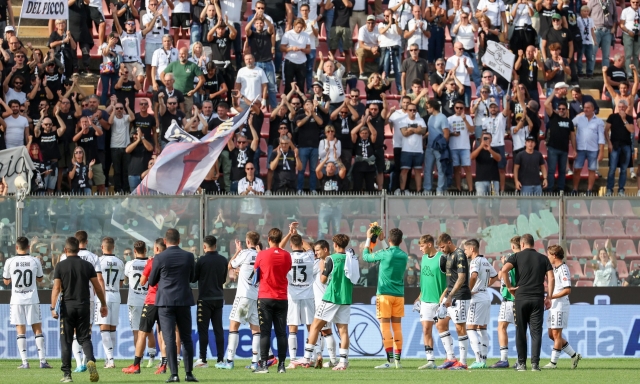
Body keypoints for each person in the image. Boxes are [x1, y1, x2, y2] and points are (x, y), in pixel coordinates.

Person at [292, 234, 354, 371]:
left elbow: (323, 280)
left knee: (315, 326)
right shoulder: (351, 258)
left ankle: (307, 357)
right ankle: (343, 362)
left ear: (335, 246)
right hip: (346, 297)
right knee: (343, 330)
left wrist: (323, 269)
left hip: (331, 297)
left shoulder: (331, 259)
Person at [51, 236, 106, 383]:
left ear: (65, 249)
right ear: (78, 248)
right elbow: (97, 287)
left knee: (66, 340)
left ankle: (67, 374)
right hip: (84, 306)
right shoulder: (87, 265)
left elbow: (56, 288)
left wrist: (52, 307)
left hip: (67, 307)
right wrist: (103, 304)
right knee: (84, 338)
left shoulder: (60, 266)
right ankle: (90, 360)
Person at [147, 229, 197, 383]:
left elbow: (151, 281)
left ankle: (174, 374)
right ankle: (189, 373)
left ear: (164, 240)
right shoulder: (188, 256)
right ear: (179, 240)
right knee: (186, 338)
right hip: (183, 300)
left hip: (165, 302)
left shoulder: (159, 257)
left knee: (169, 339)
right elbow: (193, 277)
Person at [502, 233, 554, 371]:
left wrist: (509, 287)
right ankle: (535, 364)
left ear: (522, 244)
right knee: (536, 332)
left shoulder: (516, 256)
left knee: (520, 331)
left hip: (520, 297)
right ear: (534, 244)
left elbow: (504, 270)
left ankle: (521, 363)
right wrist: (549, 297)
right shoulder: (543, 258)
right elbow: (551, 278)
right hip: (537, 298)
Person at [216, 232, 263, 370]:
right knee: (255, 329)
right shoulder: (262, 255)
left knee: (233, 325)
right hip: (256, 296)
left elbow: (230, 265)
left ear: (248, 242)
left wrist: (237, 251)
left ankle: (229, 361)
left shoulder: (245, 253)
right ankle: (255, 362)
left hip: (243, 295)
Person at [2, 236, 51, 369]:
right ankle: (42, 361)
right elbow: (40, 280)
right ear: (29, 247)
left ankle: (25, 362)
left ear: (16, 247)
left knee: (20, 330)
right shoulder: (35, 261)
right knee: (37, 329)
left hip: (17, 300)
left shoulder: (10, 261)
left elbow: (6, 281)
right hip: (32, 299)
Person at [362, 228, 408, 369]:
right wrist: (382, 241)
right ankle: (398, 362)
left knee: (385, 327)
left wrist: (368, 238)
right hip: (399, 295)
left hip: (384, 294)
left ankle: (388, 361)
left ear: (389, 240)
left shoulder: (384, 254)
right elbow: (391, 253)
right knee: (397, 327)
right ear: (401, 241)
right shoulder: (404, 255)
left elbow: (366, 257)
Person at [122, 238, 167, 374]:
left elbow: (142, 282)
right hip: (165, 300)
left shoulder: (151, 262)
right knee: (162, 333)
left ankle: (137, 364)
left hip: (150, 300)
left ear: (157, 249)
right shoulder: (170, 261)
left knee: (141, 332)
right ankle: (163, 363)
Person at [253, 228, 292, 374]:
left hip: (265, 297)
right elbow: (287, 269)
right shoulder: (287, 255)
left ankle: (264, 365)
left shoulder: (262, 254)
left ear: (269, 239)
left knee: (265, 332)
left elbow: (256, 271)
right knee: (281, 333)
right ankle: (281, 365)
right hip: (282, 297)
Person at [278, 223, 315, 367]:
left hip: (292, 295)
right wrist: (297, 234)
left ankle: (293, 360)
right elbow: (309, 248)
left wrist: (290, 234)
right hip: (307, 295)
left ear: (291, 245)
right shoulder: (309, 257)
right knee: (311, 326)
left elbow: (279, 248)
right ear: (301, 243)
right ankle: (310, 357)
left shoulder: (287, 257)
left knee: (292, 327)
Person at [435, 233, 471, 370]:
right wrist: (445, 295)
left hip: (460, 296)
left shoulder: (459, 254)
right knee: (440, 324)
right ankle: (450, 358)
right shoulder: (448, 255)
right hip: (450, 295)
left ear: (449, 242)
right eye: (440, 248)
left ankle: (463, 362)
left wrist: (451, 296)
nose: (441, 250)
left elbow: (461, 278)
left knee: (459, 327)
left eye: (443, 247)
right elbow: (451, 280)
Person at [542, 245, 581, 369]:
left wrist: (552, 297)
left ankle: (553, 363)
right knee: (551, 334)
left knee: (557, 334)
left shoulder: (564, 269)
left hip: (561, 305)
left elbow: (567, 290)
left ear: (554, 255)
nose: (548, 257)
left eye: (549, 254)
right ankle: (574, 355)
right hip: (554, 305)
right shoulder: (555, 269)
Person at [193, 235, 227, 368]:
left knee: (203, 330)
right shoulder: (223, 260)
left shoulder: (201, 260)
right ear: (216, 245)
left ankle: (203, 359)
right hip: (218, 298)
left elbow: (194, 278)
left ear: (204, 246)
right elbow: (224, 280)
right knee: (218, 329)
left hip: (205, 299)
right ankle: (220, 360)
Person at [413, 235, 447, 369]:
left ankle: (449, 358)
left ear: (429, 244)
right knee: (426, 329)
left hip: (439, 301)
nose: (420, 249)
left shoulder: (442, 258)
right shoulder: (423, 258)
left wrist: (444, 297)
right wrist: (419, 297)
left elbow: (450, 279)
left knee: (443, 330)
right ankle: (430, 360)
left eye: (422, 246)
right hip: (426, 300)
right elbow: (423, 281)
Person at [464, 239, 498, 369]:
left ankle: (478, 360)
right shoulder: (485, 261)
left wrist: (469, 290)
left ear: (472, 249)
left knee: (470, 328)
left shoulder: (475, 261)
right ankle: (483, 361)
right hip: (485, 295)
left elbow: (473, 276)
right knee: (482, 329)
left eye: (466, 249)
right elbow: (495, 276)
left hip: (477, 297)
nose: (465, 252)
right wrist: (485, 286)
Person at [95, 237, 125, 369]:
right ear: (113, 247)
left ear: (102, 247)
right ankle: (109, 359)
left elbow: (96, 280)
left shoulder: (98, 261)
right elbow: (121, 283)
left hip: (103, 296)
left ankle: (110, 359)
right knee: (112, 329)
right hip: (116, 296)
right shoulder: (120, 262)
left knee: (104, 328)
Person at [491, 236, 520, 368]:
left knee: (501, 327)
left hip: (509, 298)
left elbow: (505, 272)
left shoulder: (511, 259)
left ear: (513, 246)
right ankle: (521, 359)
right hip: (522, 298)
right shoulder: (527, 259)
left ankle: (504, 359)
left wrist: (504, 264)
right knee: (521, 329)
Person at [571, 101, 604, 194]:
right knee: (577, 169)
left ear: (593, 109)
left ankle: (589, 190)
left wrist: (601, 152)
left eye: (588, 107)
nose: (586, 109)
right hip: (580, 148)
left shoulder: (599, 121)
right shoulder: (579, 119)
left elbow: (601, 138)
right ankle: (575, 189)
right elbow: (569, 125)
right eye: (584, 107)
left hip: (593, 149)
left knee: (592, 170)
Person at [123, 241, 150, 349]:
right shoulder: (150, 263)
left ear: (134, 251)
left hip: (134, 301)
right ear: (145, 250)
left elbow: (125, 281)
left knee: (136, 331)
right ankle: (154, 356)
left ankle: (139, 358)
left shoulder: (129, 264)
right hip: (149, 300)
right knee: (150, 330)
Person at [605, 101, 634, 196]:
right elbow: (606, 130)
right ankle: (609, 189)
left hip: (626, 146)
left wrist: (624, 119)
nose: (621, 108)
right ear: (617, 107)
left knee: (624, 169)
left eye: (623, 107)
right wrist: (609, 143)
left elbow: (632, 130)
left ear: (626, 107)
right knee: (612, 168)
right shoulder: (612, 116)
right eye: (620, 106)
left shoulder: (629, 118)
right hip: (615, 145)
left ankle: (621, 189)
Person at [482, 98, 510, 193]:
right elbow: (483, 134)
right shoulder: (485, 120)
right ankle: (491, 189)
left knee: (501, 168)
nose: (493, 109)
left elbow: (506, 110)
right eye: (491, 107)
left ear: (498, 108)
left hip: (499, 145)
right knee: (489, 168)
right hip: (489, 146)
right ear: (489, 109)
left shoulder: (501, 117)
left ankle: (502, 189)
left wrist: (507, 101)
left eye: (495, 107)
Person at [423, 99, 451, 195]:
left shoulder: (442, 118)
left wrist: (442, 146)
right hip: (430, 147)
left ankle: (440, 190)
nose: (427, 109)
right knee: (427, 169)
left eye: (428, 107)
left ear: (432, 107)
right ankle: (427, 189)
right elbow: (430, 132)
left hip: (439, 148)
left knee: (441, 169)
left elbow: (446, 134)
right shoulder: (430, 118)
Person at [398, 103, 426, 194]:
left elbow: (423, 131)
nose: (412, 112)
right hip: (406, 150)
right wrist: (416, 130)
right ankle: (402, 190)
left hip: (418, 150)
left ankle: (418, 191)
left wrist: (410, 129)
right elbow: (404, 133)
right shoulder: (403, 121)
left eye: (414, 110)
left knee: (418, 171)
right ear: (407, 111)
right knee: (404, 170)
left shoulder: (420, 120)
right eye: (410, 110)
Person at [448, 100, 474, 193]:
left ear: (464, 109)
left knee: (467, 168)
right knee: (456, 168)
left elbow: (472, 130)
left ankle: (471, 189)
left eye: (461, 108)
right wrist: (452, 134)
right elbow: (446, 134)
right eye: (457, 108)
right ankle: (458, 189)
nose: (459, 110)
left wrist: (465, 120)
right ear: (454, 108)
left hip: (465, 146)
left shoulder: (468, 117)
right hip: (453, 147)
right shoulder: (450, 119)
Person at [281, 18, 311, 95]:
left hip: (302, 62)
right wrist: (291, 48)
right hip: (290, 61)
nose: (299, 29)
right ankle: (286, 104)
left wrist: (303, 49)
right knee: (288, 85)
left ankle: (302, 104)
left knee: (301, 85)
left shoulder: (306, 35)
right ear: (294, 26)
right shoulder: (288, 34)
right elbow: (281, 48)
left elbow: (309, 50)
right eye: (298, 27)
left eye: (301, 27)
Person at [587, 0, 617, 69]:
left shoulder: (612, 1)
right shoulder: (592, 1)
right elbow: (586, 14)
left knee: (606, 55)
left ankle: (606, 73)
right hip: (595, 30)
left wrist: (614, 28)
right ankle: (590, 72)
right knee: (592, 53)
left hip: (608, 30)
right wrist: (591, 25)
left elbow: (615, 17)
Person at [472, 131, 501, 197]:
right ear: (481, 139)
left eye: (488, 138)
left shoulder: (495, 150)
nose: (486, 140)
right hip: (481, 180)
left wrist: (490, 150)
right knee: (481, 203)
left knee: (495, 203)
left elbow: (498, 159)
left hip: (493, 180)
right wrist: (481, 146)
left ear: (491, 140)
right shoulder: (478, 150)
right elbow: (472, 157)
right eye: (484, 138)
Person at [620, 0, 640, 77]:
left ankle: (635, 72)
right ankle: (628, 72)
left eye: (637, 2)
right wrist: (628, 31)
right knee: (628, 54)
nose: (635, 4)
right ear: (631, 2)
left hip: (638, 35)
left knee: (636, 55)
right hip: (628, 34)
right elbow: (621, 24)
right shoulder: (626, 10)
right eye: (633, 2)